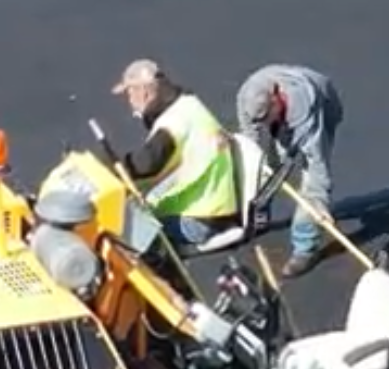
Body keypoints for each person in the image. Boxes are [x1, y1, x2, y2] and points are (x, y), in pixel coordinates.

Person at [110, 60, 239, 250]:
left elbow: (147, 163)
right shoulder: (188, 104)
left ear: (144, 92)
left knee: (127, 234)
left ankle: (160, 274)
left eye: (130, 93)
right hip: (218, 207)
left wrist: (112, 169)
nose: (130, 101)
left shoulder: (173, 123)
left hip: (200, 217)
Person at [235, 63, 343, 279]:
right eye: (259, 120)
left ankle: (306, 246)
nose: (263, 123)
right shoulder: (247, 99)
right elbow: (250, 143)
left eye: (267, 117)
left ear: (276, 96)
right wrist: (255, 168)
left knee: (309, 180)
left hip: (322, 106)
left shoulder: (305, 109)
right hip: (285, 114)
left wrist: (319, 203)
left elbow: (316, 165)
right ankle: (257, 216)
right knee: (270, 167)